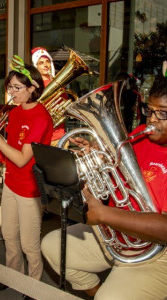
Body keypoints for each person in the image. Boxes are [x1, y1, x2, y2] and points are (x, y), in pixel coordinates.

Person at [41, 76, 167, 299]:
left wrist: (103, 214)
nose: (152, 120)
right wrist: (95, 159)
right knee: (52, 246)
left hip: (160, 251)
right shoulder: (139, 136)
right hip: (120, 232)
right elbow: (113, 181)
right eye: (150, 110)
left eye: (163, 113)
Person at [0, 55, 53, 299]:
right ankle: (13, 276)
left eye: (17, 88)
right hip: (10, 182)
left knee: (30, 244)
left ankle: (34, 286)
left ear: (33, 88)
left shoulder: (41, 116)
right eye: (10, 87)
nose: (12, 92)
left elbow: (22, 158)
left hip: (30, 189)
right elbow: (10, 151)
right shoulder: (15, 112)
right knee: (9, 235)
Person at [31, 47, 66, 146]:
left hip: (58, 135)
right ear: (36, 66)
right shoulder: (33, 85)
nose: (46, 65)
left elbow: (64, 106)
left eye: (47, 61)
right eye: (41, 63)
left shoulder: (58, 83)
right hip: (40, 136)